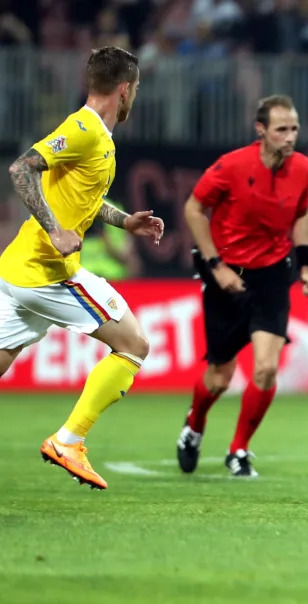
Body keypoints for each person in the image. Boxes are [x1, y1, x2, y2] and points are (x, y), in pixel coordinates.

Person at [0, 46, 164, 490]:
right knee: (133, 345)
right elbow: (21, 169)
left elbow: (84, 197)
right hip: (47, 271)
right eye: (136, 90)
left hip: (16, 270)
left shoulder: (97, 138)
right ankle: (68, 441)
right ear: (125, 89)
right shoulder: (84, 129)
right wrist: (54, 230)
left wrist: (124, 220)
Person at [176, 94, 308, 478]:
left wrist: (305, 266)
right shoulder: (231, 166)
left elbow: (303, 213)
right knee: (220, 377)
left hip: (272, 272)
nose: (290, 137)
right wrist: (216, 265)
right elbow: (193, 208)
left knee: (267, 369)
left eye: (295, 129)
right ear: (261, 130)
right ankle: (195, 423)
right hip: (226, 274)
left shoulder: (303, 168)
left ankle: (238, 450)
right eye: (282, 130)